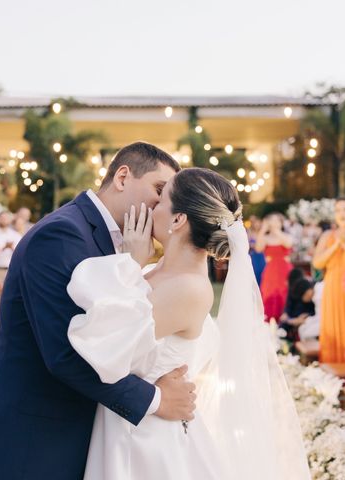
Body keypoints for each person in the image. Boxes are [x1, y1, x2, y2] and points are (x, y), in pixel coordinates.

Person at [0, 142, 196, 479]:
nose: (161, 204)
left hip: (75, 436)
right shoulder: (62, 235)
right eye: (159, 190)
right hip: (35, 441)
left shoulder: (119, 241)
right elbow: (65, 353)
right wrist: (157, 400)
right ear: (122, 177)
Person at [66, 167, 309, 479]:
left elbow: (100, 342)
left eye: (162, 199)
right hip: (129, 422)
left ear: (178, 220)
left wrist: (129, 265)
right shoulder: (162, 271)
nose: (152, 206)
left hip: (143, 440)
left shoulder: (188, 288)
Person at [312, 197, 345, 363]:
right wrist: (335, 246)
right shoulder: (328, 235)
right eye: (338, 210)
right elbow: (317, 263)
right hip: (333, 288)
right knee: (332, 329)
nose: (342, 214)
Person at [0, 210, 21, 335]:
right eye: (2, 218)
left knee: (8, 300)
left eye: (7, 218)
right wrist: (3, 248)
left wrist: (11, 248)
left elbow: (20, 254)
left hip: (10, 270)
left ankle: (6, 328)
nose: (4, 220)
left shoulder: (16, 235)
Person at [256, 213, 293, 321]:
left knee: (285, 292)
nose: (275, 223)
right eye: (272, 220)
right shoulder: (266, 238)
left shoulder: (286, 236)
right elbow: (258, 248)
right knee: (269, 292)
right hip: (271, 270)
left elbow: (288, 244)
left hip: (284, 269)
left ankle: (284, 319)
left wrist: (276, 230)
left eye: (278, 221)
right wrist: (263, 229)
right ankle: (270, 319)